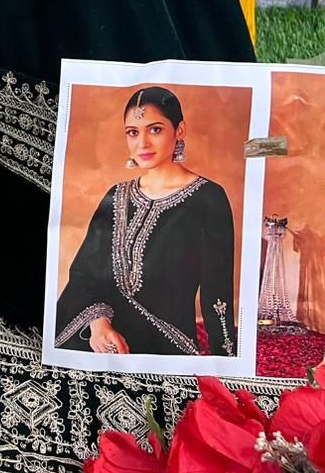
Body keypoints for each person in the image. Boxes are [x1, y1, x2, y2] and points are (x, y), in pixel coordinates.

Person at [55, 87, 237, 357]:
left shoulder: (208, 198)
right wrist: (98, 324)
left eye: (155, 130)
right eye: (132, 132)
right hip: (100, 337)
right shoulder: (116, 196)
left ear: (179, 131)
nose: (142, 143)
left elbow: (217, 291)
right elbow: (85, 274)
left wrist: (226, 359)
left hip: (163, 344)